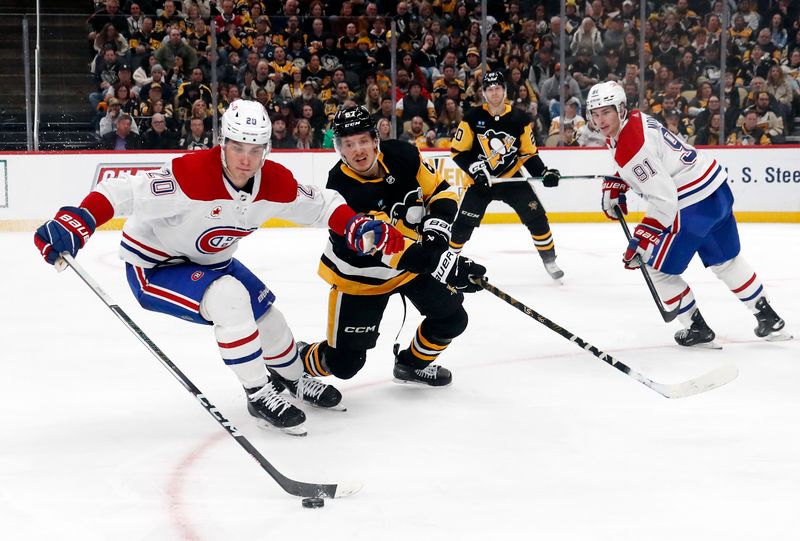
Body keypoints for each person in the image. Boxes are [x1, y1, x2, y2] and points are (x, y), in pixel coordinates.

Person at [33, 100, 405, 436]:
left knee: (270, 321)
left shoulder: (273, 182)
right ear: (223, 142)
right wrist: (78, 219)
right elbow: (124, 192)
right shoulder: (190, 175)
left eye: (255, 149)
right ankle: (259, 393)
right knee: (231, 299)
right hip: (156, 266)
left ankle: (294, 379)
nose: (245, 159)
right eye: (237, 147)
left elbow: (322, 204)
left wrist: (353, 224)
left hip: (212, 261)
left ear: (266, 150)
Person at [586, 81, 790, 346]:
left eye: (607, 112)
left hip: (691, 205)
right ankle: (768, 317)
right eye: (595, 113)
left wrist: (644, 238)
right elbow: (654, 161)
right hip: (716, 191)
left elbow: (664, 199)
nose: (600, 120)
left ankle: (696, 328)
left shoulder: (630, 148)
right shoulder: (637, 118)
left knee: (655, 267)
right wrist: (618, 179)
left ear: (621, 109)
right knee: (726, 261)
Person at [297, 105, 487, 388]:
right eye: (349, 144)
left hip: (411, 267)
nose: (358, 151)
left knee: (452, 319)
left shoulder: (402, 155)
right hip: (361, 278)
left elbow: (440, 191)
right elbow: (390, 248)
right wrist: (445, 264)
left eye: (363, 141)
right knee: (345, 364)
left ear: (375, 139)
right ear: (339, 149)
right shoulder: (341, 189)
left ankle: (410, 364)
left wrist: (436, 238)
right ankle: (293, 362)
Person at [450, 71, 564, 280]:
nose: (494, 93)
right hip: (481, 181)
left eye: (498, 88)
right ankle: (447, 262)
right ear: (484, 93)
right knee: (462, 227)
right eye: (490, 89)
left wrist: (543, 173)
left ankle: (549, 259)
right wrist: (475, 169)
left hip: (512, 178)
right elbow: (458, 152)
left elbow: (528, 154)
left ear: (504, 90)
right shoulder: (473, 117)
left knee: (537, 218)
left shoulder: (519, 119)